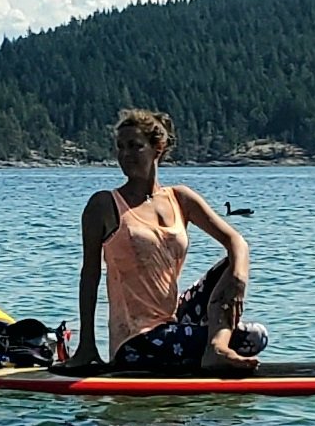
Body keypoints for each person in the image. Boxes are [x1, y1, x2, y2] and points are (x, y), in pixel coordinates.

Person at [64, 109, 267, 374]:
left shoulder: (181, 198)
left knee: (256, 335)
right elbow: (90, 275)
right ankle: (204, 352)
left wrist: (238, 280)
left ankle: (216, 346)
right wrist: (86, 346)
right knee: (246, 340)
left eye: (135, 146)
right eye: (120, 147)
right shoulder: (104, 205)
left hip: (173, 322)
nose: (125, 155)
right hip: (136, 341)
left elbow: (236, 241)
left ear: (157, 149)